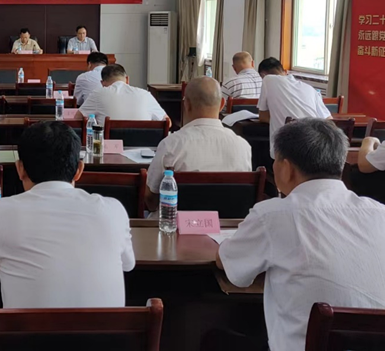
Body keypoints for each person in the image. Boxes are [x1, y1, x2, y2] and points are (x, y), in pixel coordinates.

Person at [217, 119, 385, 351]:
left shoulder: (273, 215)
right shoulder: (380, 213)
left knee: (215, 337)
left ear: (286, 168)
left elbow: (230, 267)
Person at [0, 121, 135, 308]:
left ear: (20, 169)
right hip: (108, 329)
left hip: (23, 329)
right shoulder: (114, 210)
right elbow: (128, 264)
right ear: (79, 170)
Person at [145, 77, 251, 211]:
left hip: (179, 222)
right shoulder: (243, 146)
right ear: (222, 104)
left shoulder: (171, 144)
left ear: (186, 104)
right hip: (228, 222)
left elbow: (151, 198)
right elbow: (243, 195)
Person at [257, 57, 331, 158]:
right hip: (316, 149)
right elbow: (328, 119)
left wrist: (279, 117)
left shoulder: (268, 79)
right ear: (285, 71)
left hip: (287, 151)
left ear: (263, 75)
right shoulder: (309, 88)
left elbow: (263, 116)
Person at [75, 64, 168, 126]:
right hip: (145, 148)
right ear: (127, 79)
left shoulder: (98, 94)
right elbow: (167, 122)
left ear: (102, 83)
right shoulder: (145, 94)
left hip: (109, 148)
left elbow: (78, 118)